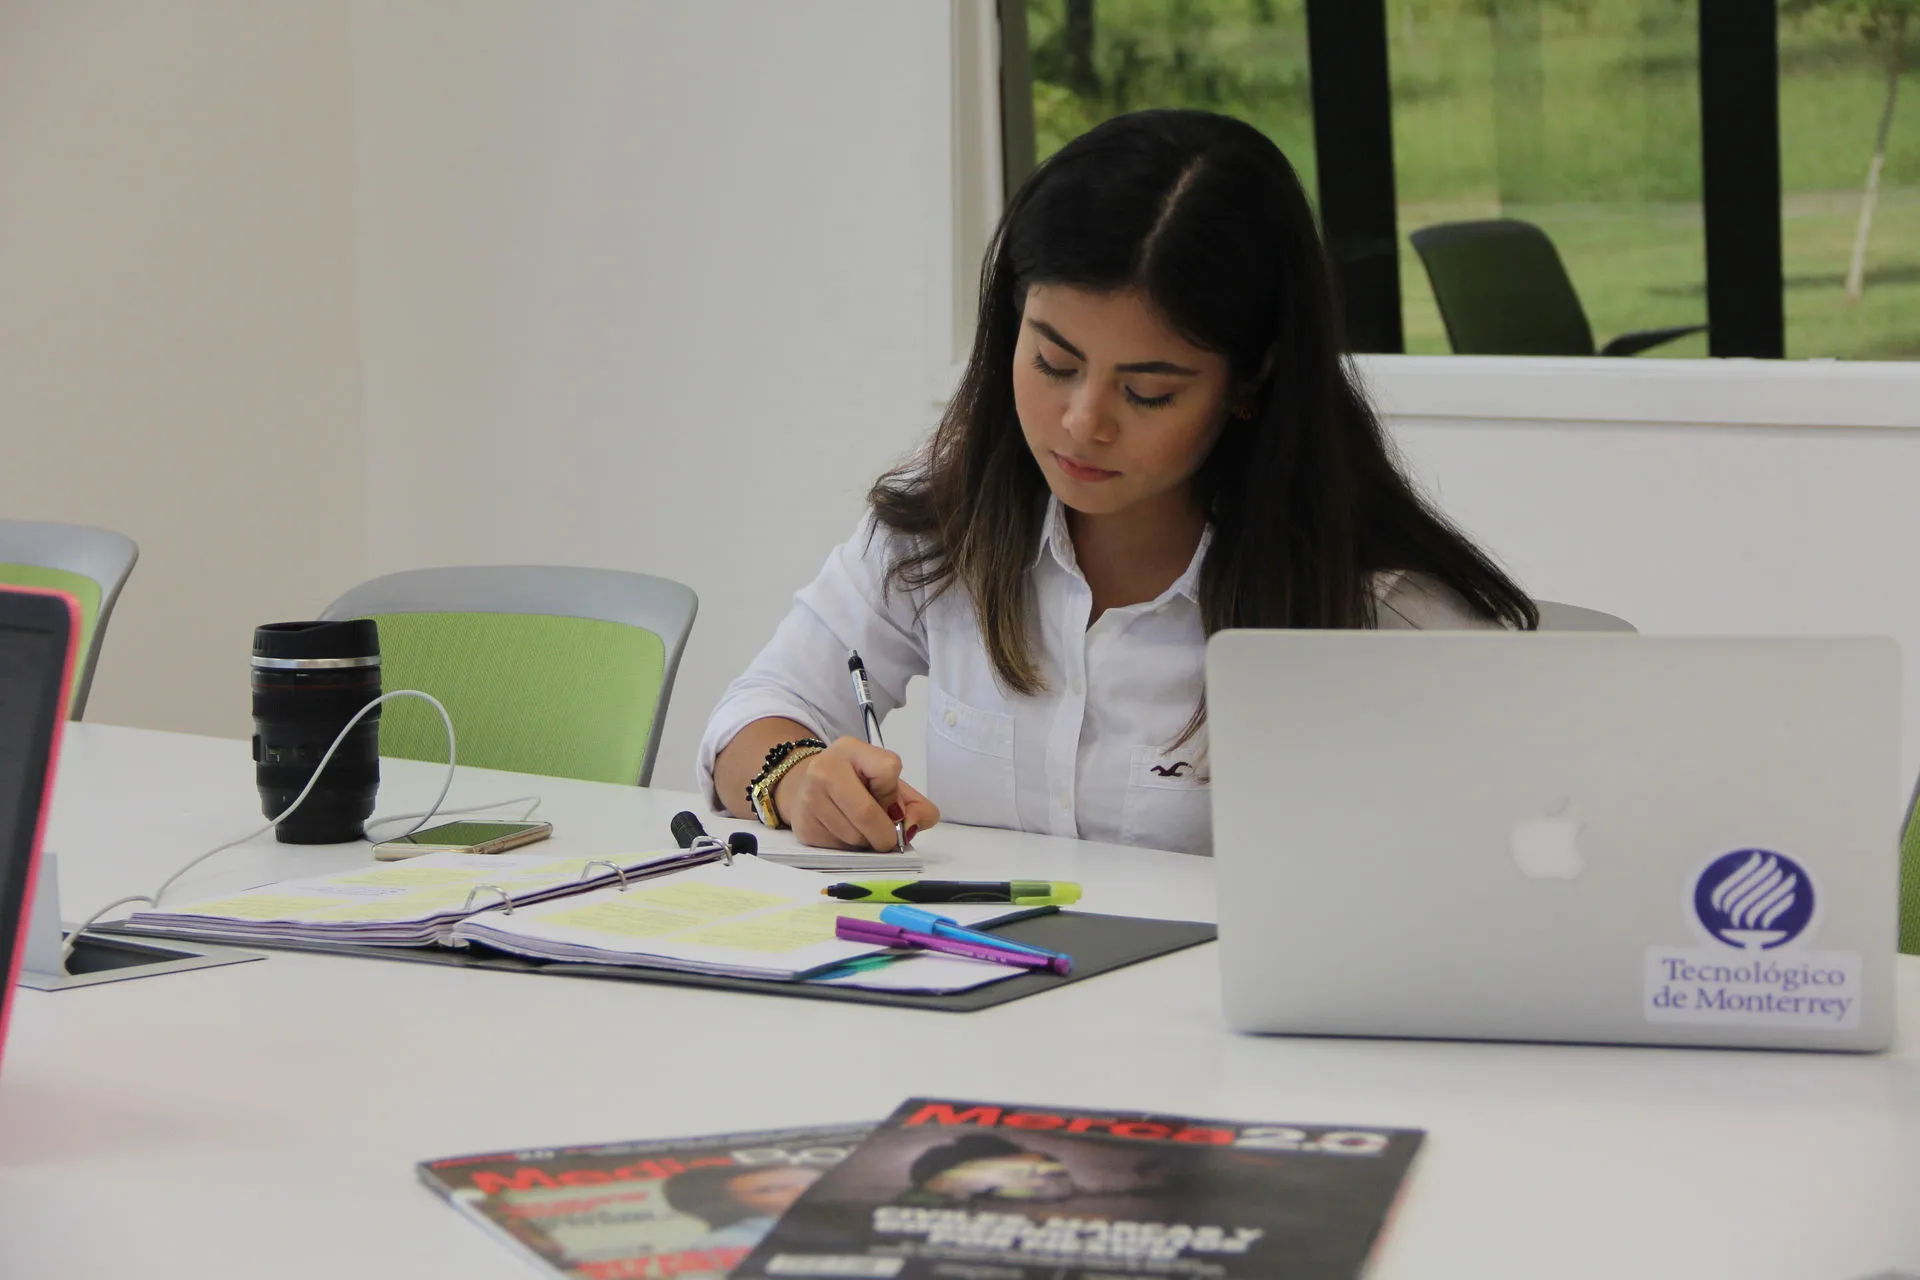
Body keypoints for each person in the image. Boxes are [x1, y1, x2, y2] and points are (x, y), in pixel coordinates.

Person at [698, 108, 1534, 856]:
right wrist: (795, 776)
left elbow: (1510, 870)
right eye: (1053, 362)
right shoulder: (947, 522)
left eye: (1148, 392)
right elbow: (759, 708)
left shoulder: (1375, 605)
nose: (1082, 422)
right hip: (970, 1007)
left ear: (1251, 382)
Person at [661, 1163, 823, 1251]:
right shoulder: (727, 1242)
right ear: (729, 1205)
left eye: (815, 1182)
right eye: (771, 1190)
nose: (806, 1191)